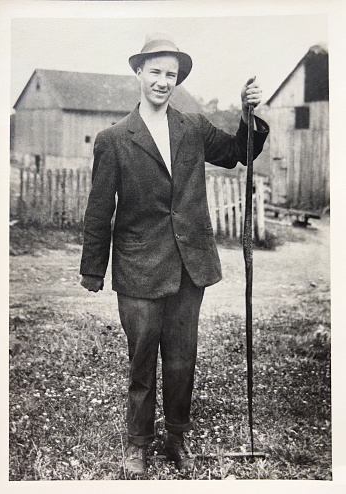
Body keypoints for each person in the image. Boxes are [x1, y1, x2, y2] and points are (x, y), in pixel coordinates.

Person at [80, 33, 269, 476]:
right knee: (142, 357)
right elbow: (99, 209)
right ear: (139, 73)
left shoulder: (194, 128)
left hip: (190, 264)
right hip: (139, 265)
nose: (163, 81)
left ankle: (177, 437)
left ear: (177, 78)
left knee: (183, 356)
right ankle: (138, 444)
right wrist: (93, 269)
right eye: (155, 72)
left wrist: (247, 113)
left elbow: (239, 153)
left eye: (171, 74)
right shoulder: (114, 139)